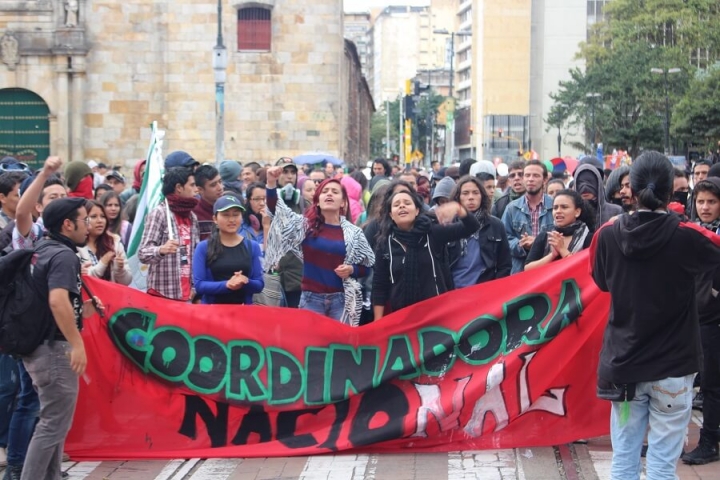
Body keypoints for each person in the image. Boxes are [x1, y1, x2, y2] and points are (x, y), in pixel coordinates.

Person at [590, 151, 720, 479]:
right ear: (672, 190)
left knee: (624, 459)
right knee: (663, 465)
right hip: (674, 367)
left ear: (629, 190)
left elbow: (601, 281)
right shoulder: (687, 235)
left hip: (624, 364)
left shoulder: (607, 234)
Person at [19, 197, 103, 480]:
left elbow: (53, 301)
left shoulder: (42, 248)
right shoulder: (64, 256)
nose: (88, 227)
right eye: (84, 220)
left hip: (39, 346)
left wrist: (83, 309)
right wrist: (77, 344)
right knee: (53, 423)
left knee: (54, 421)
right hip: (54, 349)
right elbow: (57, 301)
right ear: (67, 224)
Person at [264, 167, 375, 324]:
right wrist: (271, 182)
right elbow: (278, 210)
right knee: (312, 345)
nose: (329, 194)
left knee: (339, 345)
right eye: (325, 191)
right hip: (311, 300)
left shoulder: (353, 233)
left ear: (343, 201)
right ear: (317, 200)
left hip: (342, 300)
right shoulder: (305, 226)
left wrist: (352, 269)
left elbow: (367, 265)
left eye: (335, 192)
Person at [372, 190, 480, 319]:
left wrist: (459, 209)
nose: (402, 206)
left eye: (407, 203)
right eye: (396, 205)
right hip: (402, 317)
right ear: (391, 215)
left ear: (417, 210)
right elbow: (379, 285)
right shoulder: (385, 243)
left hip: (437, 314)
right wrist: (377, 323)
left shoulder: (433, 232)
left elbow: (472, 227)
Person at [682, 177, 720, 465]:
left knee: (711, 385)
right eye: (701, 201)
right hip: (690, 317)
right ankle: (674, 439)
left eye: (712, 201)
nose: (705, 207)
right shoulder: (691, 232)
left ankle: (709, 441)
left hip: (713, 320)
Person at [138, 167, 199, 302]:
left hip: (187, 296)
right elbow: (143, 253)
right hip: (162, 295)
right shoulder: (159, 213)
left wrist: (194, 288)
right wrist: (161, 250)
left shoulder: (192, 217)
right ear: (179, 188)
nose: (197, 189)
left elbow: (194, 254)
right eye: (192, 185)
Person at [192, 195, 264, 305]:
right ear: (215, 219)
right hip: (212, 313)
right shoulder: (203, 247)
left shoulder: (252, 246)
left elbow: (259, 284)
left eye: (236, 215)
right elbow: (199, 285)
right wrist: (227, 284)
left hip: (243, 312)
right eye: (225, 215)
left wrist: (245, 281)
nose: (231, 220)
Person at [447, 175, 511, 286]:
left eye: (475, 193)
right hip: (453, 291)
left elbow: (504, 264)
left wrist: (494, 288)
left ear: (482, 196)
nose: (471, 197)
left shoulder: (495, 225)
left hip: (484, 291)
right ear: (458, 197)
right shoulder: (448, 225)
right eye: (465, 193)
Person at [501, 160, 554, 274]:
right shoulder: (512, 208)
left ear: (545, 180)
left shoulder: (555, 206)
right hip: (520, 272)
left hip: (549, 270)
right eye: (527, 175)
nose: (530, 179)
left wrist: (538, 243)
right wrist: (522, 245)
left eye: (536, 175)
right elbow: (504, 239)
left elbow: (564, 237)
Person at [524, 190, 594, 271]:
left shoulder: (588, 237)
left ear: (577, 212)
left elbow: (587, 268)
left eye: (564, 207)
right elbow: (527, 269)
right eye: (555, 208)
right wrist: (552, 256)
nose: (558, 211)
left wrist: (562, 250)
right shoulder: (545, 236)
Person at [77, 200, 132, 285]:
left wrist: (119, 269)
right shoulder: (76, 246)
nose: (100, 221)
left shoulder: (114, 242)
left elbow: (127, 282)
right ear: (84, 219)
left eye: (103, 216)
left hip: (110, 296)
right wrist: (103, 263)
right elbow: (82, 280)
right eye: (94, 216)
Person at [573, 163, 623, 227]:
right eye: (580, 182)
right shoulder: (571, 214)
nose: (585, 187)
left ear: (598, 184)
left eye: (590, 182)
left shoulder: (615, 211)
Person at [193, 165, 224, 241]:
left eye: (220, 182)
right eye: (213, 185)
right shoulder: (194, 214)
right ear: (200, 189)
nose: (220, 188)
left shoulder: (230, 207)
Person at [239, 182, 267, 248]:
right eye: (257, 199)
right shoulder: (240, 225)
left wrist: (266, 226)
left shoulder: (275, 226)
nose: (262, 203)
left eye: (265, 199)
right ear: (247, 201)